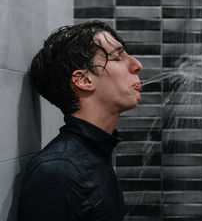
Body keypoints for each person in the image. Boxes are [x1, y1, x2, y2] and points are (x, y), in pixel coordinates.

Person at [17, 21, 143, 221]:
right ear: (84, 80)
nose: (137, 65)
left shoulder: (93, 155)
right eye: (117, 57)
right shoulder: (57, 173)